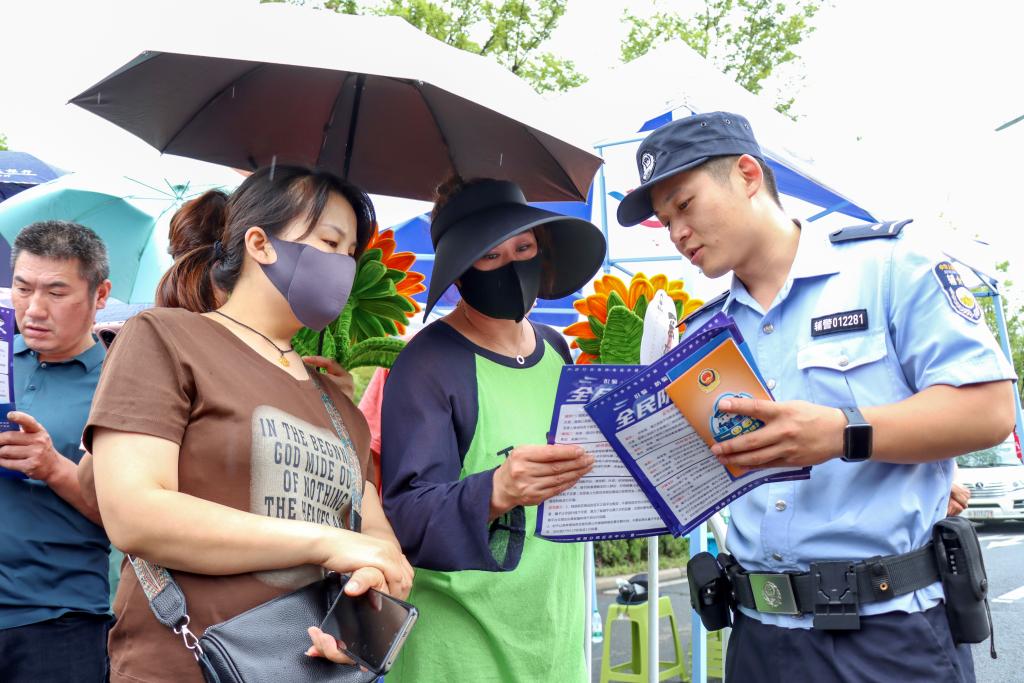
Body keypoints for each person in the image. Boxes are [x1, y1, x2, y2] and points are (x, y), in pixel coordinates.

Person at [617, 112, 1017, 683]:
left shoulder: (890, 268)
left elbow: (990, 410)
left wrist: (842, 432)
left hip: (888, 635)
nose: (678, 232)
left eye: (685, 205)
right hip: (758, 636)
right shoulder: (703, 333)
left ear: (748, 175)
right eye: (665, 221)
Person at [82, 165, 414, 683]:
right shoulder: (165, 338)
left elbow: (374, 537)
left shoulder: (338, 403)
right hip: (182, 666)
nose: (343, 267)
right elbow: (133, 513)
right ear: (260, 243)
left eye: (351, 254)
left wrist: (369, 592)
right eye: (330, 242)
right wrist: (324, 542)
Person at [380, 177, 606, 682]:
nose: (512, 264)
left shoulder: (557, 349)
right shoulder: (428, 364)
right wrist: (497, 490)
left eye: (523, 248)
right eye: (490, 255)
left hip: (554, 635)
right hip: (459, 652)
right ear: (461, 272)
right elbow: (406, 515)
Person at [0, 221, 112, 682]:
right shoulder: (3, 358)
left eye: (56, 292)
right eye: (23, 288)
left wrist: (52, 467)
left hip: (59, 619)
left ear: (100, 295)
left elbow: (129, 518)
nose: (34, 309)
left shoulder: (119, 383)